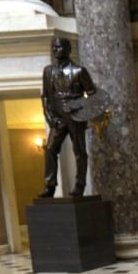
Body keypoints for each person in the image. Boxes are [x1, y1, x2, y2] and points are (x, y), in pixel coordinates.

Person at [38, 37, 96, 198]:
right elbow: (45, 97)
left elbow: (92, 94)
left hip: (75, 115)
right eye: (53, 47)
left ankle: (80, 185)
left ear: (68, 49)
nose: (55, 50)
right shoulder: (48, 71)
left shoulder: (79, 71)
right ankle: (50, 186)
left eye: (59, 47)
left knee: (79, 150)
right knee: (50, 148)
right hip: (57, 117)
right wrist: (50, 118)